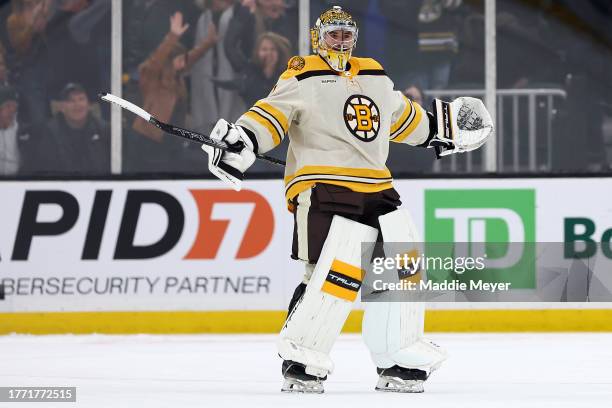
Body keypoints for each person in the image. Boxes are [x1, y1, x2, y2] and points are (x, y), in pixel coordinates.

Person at [201, 5, 492, 393]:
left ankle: (398, 357)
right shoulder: (301, 73)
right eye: (332, 34)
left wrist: (446, 127)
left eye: (346, 35)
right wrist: (244, 140)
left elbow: (404, 118)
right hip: (325, 186)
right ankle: (302, 360)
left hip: (379, 188)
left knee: (400, 273)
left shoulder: (373, 74)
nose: (340, 41)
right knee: (328, 274)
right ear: (318, 38)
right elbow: (271, 115)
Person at [35, 83, 110, 175]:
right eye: (71, 101)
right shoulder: (49, 132)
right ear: (62, 107)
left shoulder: (103, 130)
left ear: (89, 105)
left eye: (81, 99)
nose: (77, 104)